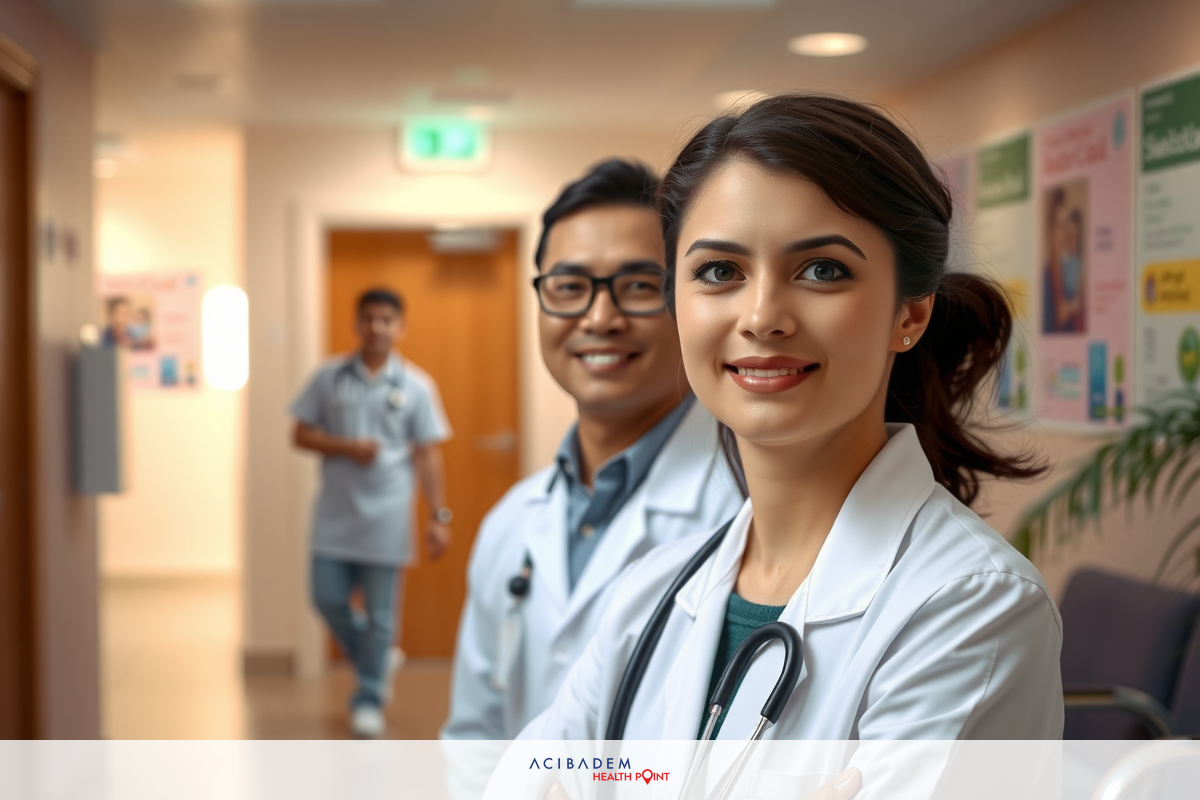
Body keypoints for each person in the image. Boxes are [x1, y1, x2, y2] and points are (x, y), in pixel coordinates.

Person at [522, 95, 1062, 751]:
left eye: (821, 270)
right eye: (719, 271)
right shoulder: (652, 592)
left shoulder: (971, 607)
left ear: (909, 314)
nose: (762, 316)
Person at [442, 160, 743, 742]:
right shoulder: (512, 521)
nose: (599, 318)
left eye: (637, 286)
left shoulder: (751, 506)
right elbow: (474, 736)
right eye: (570, 287)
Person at [291, 287, 452, 739]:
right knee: (325, 598)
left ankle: (368, 697)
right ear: (356, 323)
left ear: (400, 328)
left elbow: (429, 454)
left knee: (382, 616)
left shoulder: (417, 386)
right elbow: (299, 435)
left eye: (386, 320)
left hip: (386, 516)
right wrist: (344, 446)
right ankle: (376, 654)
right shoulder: (328, 378)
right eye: (369, 319)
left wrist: (439, 517)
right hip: (335, 514)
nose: (377, 327)